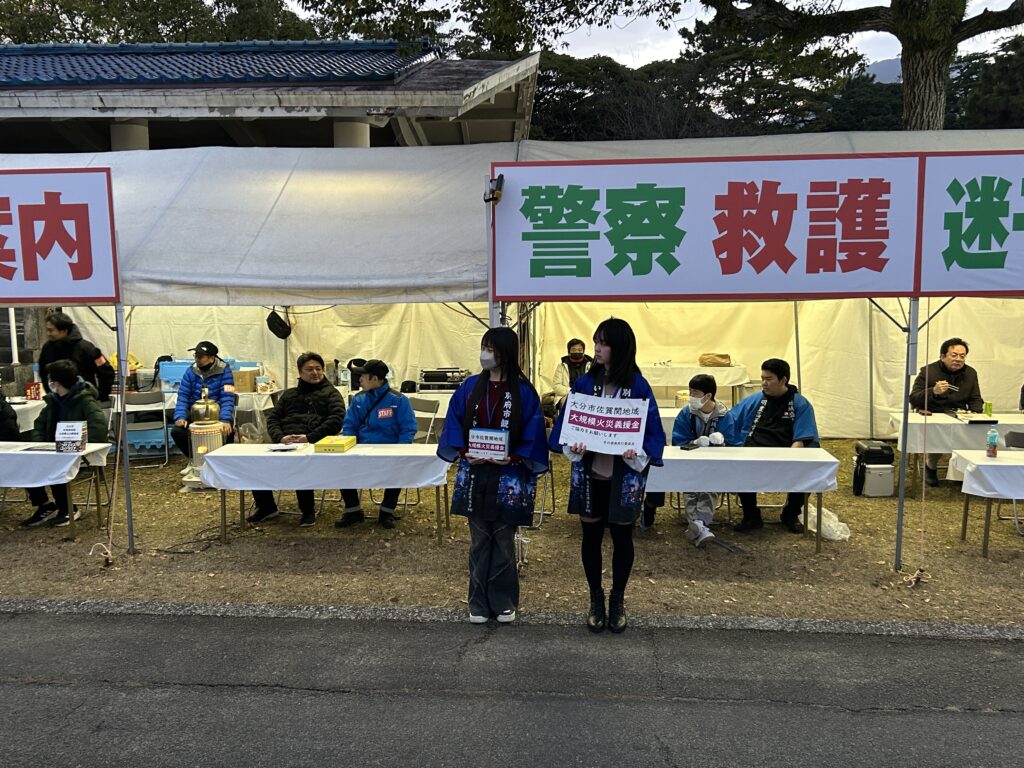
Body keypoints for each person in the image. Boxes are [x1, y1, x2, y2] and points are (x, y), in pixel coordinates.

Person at [549, 318, 665, 634]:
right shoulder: (585, 384)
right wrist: (573, 442)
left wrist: (637, 450)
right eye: (596, 342)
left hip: (623, 477)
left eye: (603, 343)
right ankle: (595, 598)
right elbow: (566, 425)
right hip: (591, 474)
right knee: (590, 537)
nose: (596, 349)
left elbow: (653, 432)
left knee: (623, 538)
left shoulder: (638, 387)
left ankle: (617, 599)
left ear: (620, 347)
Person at [437, 328, 548, 624]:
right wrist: (463, 452)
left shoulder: (524, 392)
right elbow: (453, 421)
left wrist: (513, 457)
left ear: (505, 353)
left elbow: (534, 430)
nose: (484, 354)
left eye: (491, 349)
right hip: (475, 473)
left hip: (509, 476)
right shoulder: (470, 386)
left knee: (503, 540)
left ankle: (503, 601)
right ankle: (477, 602)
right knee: (478, 540)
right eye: (483, 347)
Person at [247, 352, 346, 528]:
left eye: (318, 369)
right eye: (310, 369)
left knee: (301, 463)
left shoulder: (332, 394)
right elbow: (273, 419)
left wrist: (309, 437)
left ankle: (307, 510)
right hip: (285, 443)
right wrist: (280, 437)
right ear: (300, 372)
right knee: (256, 464)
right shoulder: (289, 395)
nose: (315, 373)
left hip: (314, 444)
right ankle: (267, 507)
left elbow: (336, 420)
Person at [730, 358, 819, 534]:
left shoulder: (800, 403)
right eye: (762, 378)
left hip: (787, 454)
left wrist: (789, 461)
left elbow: (802, 438)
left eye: (769, 379)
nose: (764, 383)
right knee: (740, 467)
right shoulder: (755, 400)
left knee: (806, 470)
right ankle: (751, 516)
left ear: (783, 380)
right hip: (753, 453)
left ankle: (791, 514)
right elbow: (731, 421)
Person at [21, 360, 108, 528]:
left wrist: (84, 447)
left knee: (56, 465)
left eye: (50, 379)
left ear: (56, 382)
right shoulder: (54, 402)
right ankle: (44, 505)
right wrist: (40, 445)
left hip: (77, 451)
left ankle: (67, 508)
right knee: (26, 463)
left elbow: (98, 427)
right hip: (53, 449)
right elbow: (39, 425)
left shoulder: (86, 402)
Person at [334, 359, 417, 530]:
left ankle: (386, 512)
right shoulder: (358, 400)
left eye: (363, 376)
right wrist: (350, 445)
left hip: (390, 450)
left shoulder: (399, 400)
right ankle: (353, 511)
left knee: (398, 470)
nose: (359, 380)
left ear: (375, 379)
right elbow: (349, 425)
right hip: (361, 450)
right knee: (341, 466)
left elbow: (408, 428)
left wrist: (400, 451)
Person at [909, 337, 984, 487]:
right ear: (942, 356)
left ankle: (960, 470)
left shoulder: (970, 373)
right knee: (938, 434)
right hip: (934, 414)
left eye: (962, 356)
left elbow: (975, 398)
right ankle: (930, 466)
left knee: (976, 433)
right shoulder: (928, 371)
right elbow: (914, 398)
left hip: (959, 415)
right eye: (954, 355)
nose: (958, 359)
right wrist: (933, 391)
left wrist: (976, 412)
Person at [670, 374, 734, 547]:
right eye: (690, 391)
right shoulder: (686, 413)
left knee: (709, 488)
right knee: (690, 489)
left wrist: (722, 442)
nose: (691, 396)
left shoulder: (725, 415)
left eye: (695, 393)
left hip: (716, 464)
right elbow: (677, 440)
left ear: (708, 395)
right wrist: (694, 442)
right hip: (690, 462)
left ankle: (697, 525)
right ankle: (701, 526)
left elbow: (735, 443)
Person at [170, 341, 235, 458]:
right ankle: (195, 458)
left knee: (228, 431)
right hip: (195, 414)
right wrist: (180, 417)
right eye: (195, 356)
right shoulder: (191, 371)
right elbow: (183, 395)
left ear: (211, 358)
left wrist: (225, 419)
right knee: (177, 432)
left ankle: (221, 461)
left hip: (217, 414)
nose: (197, 359)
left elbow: (227, 397)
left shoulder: (224, 371)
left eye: (200, 357)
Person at [37, 311, 115, 403]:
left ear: (64, 330)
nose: (48, 333)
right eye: (47, 330)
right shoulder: (47, 348)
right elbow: (43, 373)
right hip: (58, 402)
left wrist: (101, 396)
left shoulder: (86, 348)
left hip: (84, 402)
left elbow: (106, 372)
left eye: (51, 330)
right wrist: (50, 394)